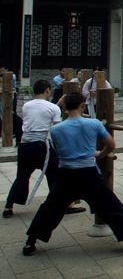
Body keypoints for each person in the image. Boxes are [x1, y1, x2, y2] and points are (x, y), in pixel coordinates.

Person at [23, 92, 123, 255]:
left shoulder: (55, 129)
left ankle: (30, 242)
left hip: (66, 173)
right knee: (111, 205)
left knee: (50, 208)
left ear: (65, 108)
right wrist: (100, 154)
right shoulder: (94, 124)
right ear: (83, 106)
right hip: (89, 172)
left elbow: (58, 150)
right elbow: (111, 144)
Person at [4, 80, 85, 218]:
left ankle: (8, 206)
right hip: (41, 145)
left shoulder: (27, 106)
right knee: (55, 174)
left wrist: (57, 104)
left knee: (22, 176)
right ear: (47, 90)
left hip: (25, 145)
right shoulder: (53, 108)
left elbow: (42, 112)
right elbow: (57, 128)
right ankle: (63, 205)